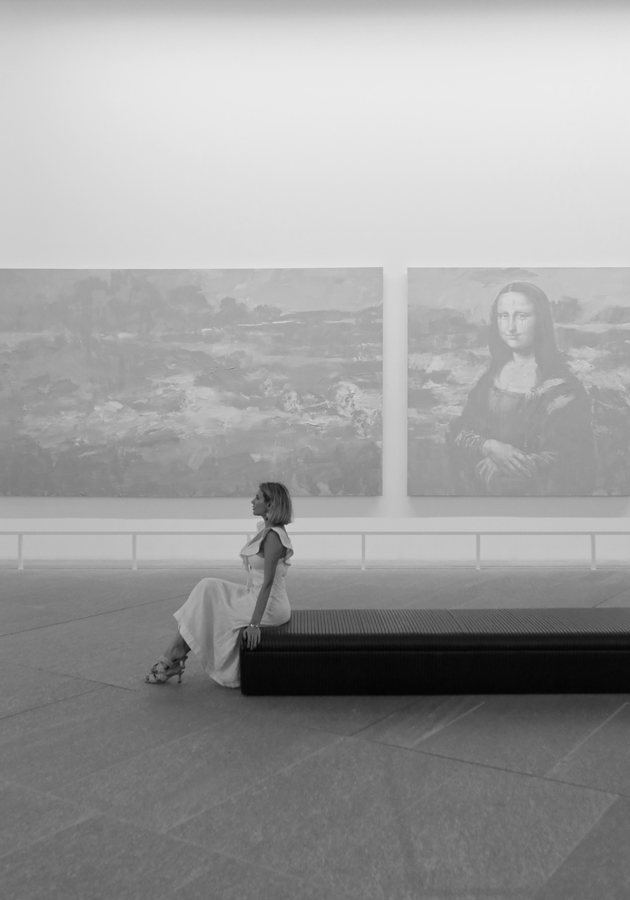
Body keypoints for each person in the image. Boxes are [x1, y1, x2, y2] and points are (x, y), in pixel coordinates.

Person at [448, 282, 594, 495]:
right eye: (503, 316)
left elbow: (571, 458)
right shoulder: (489, 381)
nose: (511, 327)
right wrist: (489, 446)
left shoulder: (563, 389)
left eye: (522, 316)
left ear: (540, 321)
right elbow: (462, 431)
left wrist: (506, 463)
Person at [145, 482, 293, 688]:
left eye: (258, 498)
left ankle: (174, 655)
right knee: (208, 587)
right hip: (256, 595)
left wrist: (254, 624)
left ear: (270, 505)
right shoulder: (265, 529)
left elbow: (268, 583)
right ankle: (176, 652)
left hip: (270, 606)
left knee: (210, 606)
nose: (252, 501)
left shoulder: (274, 538)